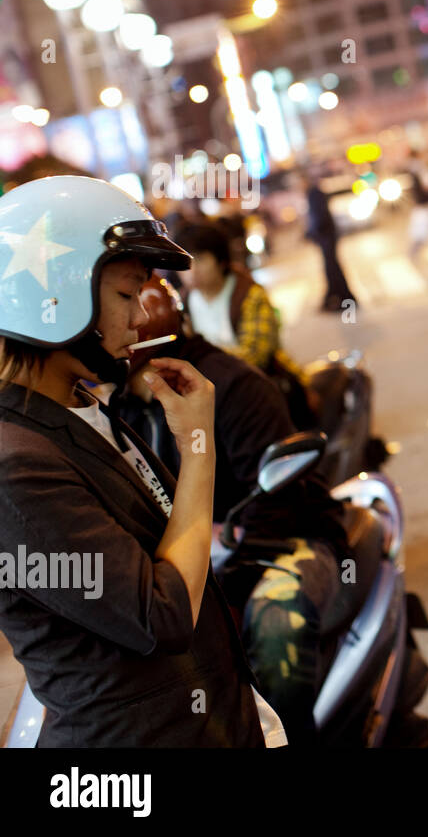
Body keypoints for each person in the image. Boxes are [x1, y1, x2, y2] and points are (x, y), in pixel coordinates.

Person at [0, 175, 266, 746]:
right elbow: (163, 614)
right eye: (126, 296)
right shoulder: (14, 469)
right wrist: (199, 449)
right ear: (55, 298)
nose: (142, 319)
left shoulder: (80, 409)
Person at [118, 277, 352, 745]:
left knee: (276, 624)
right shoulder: (115, 409)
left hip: (283, 542)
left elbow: (278, 499)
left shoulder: (230, 385)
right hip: (194, 560)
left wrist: (221, 535)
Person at [172, 221, 316, 430]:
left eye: (201, 260)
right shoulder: (182, 304)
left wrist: (201, 363)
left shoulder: (249, 295)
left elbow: (254, 355)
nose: (191, 272)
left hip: (263, 387)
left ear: (221, 261)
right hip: (216, 396)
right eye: (186, 263)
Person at [304, 170, 358, 311]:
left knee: (332, 267)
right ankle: (336, 298)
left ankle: (344, 299)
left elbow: (319, 218)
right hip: (327, 236)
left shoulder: (314, 193)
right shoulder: (314, 192)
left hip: (326, 236)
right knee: (331, 268)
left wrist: (311, 233)